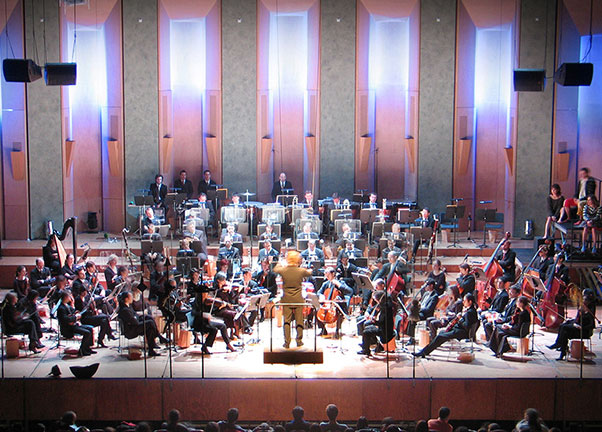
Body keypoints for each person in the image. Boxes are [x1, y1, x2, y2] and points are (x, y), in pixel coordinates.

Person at [413, 293, 478, 358]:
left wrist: (460, 319)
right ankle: (426, 350)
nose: (463, 302)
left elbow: (467, 326)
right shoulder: (470, 310)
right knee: (441, 333)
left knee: (440, 336)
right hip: (458, 329)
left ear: (470, 302)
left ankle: (424, 352)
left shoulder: (470, 312)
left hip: (461, 332)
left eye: (465, 301)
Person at [273, 251, 312, 348]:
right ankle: (299, 341)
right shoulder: (301, 271)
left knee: (287, 321)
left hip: (286, 299)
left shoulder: (283, 270)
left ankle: (287, 342)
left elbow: (275, 269)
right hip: (298, 299)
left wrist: (281, 261)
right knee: (299, 320)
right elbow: (309, 272)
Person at [547, 289, 596, 361]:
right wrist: (571, 321)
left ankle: (561, 349)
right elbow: (577, 320)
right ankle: (559, 344)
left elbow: (591, 325)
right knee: (562, 325)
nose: (584, 301)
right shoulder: (583, 308)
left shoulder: (589, 311)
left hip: (583, 331)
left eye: (585, 299)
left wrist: (581, 323)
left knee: (565, 330)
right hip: (577, 327)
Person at [118, 291, 166, 357]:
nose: (132, 298)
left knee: (149, 318)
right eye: (130, 297)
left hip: (133, 325)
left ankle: (153, 346)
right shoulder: (125, 310)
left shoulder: (128, 307)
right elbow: (134, 321)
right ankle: (158, 338)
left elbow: (135, 317)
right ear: (126, 299)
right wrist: (137, 317)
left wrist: (140, 316)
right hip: (131, 330)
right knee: (149, 324)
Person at [317, 267, 353, 339]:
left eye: (328, 275)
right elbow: (319, 292)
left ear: (333, 274)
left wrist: (339, 285)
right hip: (327, 303)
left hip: (338, 305)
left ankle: (337, 330)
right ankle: (323, 329)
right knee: (317, 310)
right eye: (325, 275)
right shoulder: (325, 284)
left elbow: (350, 291)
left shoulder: (340, 283)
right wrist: (321, 296)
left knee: (339, 312)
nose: (326, 277)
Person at [56, 290, 95, 356]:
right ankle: (82, 350)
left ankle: (87, 348)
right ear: (65, 297)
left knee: (90, 329)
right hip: (68, 328)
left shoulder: (66, 305)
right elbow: (66, 319)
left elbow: (73, 311)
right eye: (69, 296)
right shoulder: (61, 308)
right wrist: (75, 317)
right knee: (87, 333)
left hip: (73, 325)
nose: (70, 297)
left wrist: (75, 312)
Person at [358, 290, 395, 355]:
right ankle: (367, 345)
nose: (376, 301)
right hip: (384, 328)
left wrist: (373, 321)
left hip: (385, 331)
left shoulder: (385, 308)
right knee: (367, 328)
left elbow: (382, 322)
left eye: (376, 299)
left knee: (366, 332)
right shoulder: (384, 305)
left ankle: (366, 350)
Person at [406, 279, 439, 345]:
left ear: (431, 286)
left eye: (427, 285)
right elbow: (421, 302)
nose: (425, 286)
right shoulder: (426, 293)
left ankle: (411, 338)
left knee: (412, 318)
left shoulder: (434, 296)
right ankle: (411, 337)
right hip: (420, 312)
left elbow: (428, 309)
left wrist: (418, 309)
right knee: (410, 317)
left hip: (426, 314)